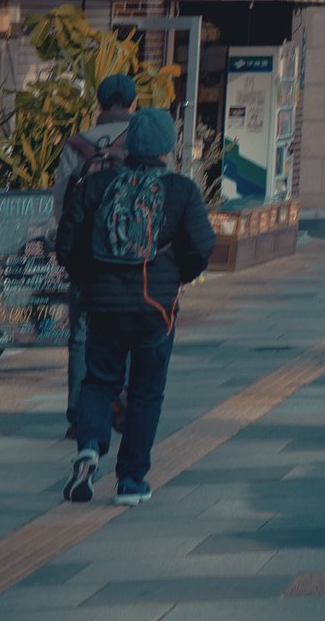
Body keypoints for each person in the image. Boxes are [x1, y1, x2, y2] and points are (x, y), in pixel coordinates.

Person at [57, 108, 213, 505]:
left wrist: (88, 280)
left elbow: (67, 242)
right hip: (155, 306)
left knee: (98, 380)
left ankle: (89, 447)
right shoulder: (180, 190)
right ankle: (130, 481)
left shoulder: (98, 185)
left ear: (128, 144)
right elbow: (201, 247)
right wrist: (179, 276)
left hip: (103, 304)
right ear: (167, 147)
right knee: (146, 392)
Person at [53, 73, 140, 425]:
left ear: (99, 105)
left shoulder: (77, 144)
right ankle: (122, 404)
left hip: (86, 257)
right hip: (130, 256)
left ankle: (77, 413)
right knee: (132, 331)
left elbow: (61, 206)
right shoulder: (143, 140)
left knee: (80, 337)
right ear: (134, 104)